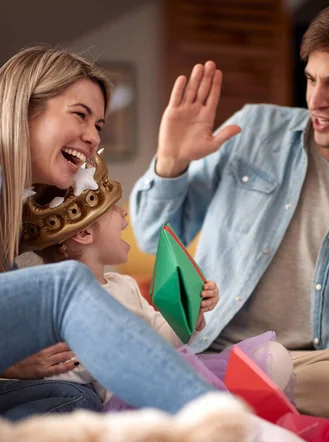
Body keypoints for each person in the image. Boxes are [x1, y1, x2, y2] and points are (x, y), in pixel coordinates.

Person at [130, 0, 329, 440]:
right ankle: (245, 407)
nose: (316, 100)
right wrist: (171, 161)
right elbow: (147, 234)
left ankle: (200, 401)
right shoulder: (254, 128)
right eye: (311, 79)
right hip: (217, 349)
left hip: (312, 367)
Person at [0, 45, 233, 420]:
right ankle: (217, 423)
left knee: (77, 400)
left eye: (99, 126)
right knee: (67, 284)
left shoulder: (8, 212)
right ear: (24, 109)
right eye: (80, 115)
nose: (92, 137)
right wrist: (10, 361)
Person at [19, 150, 219, 405]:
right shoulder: (58, 305)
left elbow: (163, 339)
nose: (125, 214)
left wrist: (192, 312)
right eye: (113, 209)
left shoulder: (125, 285)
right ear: (84, 234)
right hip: (125, 405)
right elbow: (61, 369)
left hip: (158, 386)